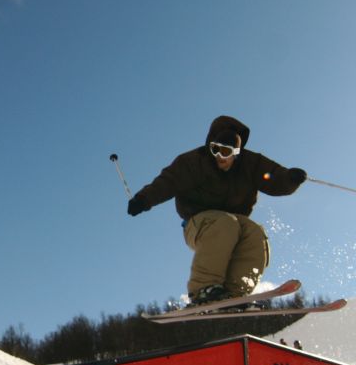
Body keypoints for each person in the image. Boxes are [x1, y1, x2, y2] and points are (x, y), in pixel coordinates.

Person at [127, 115, 307, 305]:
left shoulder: (250, 164)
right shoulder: (194, 162)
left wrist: (290, 179)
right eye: (215, 150)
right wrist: (143, 199)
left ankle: (235, 293)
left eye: (226, 151)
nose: (219, 156)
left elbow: (274, 178)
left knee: (255, 234)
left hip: (235, 224)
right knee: (225, 223)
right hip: (198, 223)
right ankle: (203, 289)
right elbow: (168, 181)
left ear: (237, 153)